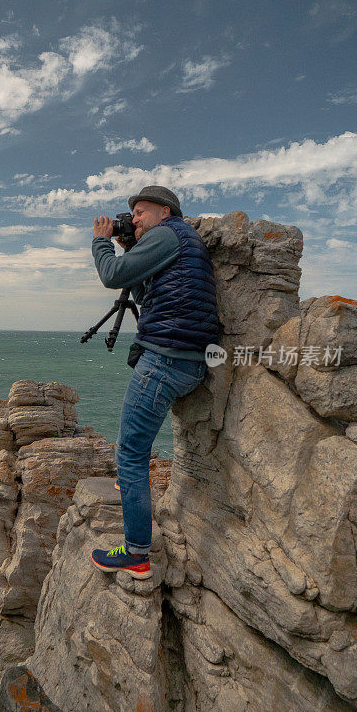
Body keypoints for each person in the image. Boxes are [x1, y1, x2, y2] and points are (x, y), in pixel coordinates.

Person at [90, 185, 219, 579]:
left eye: (141, 212)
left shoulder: (167, 234)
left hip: (165, 359)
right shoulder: (181, 240)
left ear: (165, 212)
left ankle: (136, 554)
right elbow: (146, 291)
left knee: (129, 454)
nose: (136, 219)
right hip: (191, 362)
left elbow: (113, 276)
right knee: (134, 454)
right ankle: (132, 494)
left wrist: (101, 242)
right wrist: (131, 244)